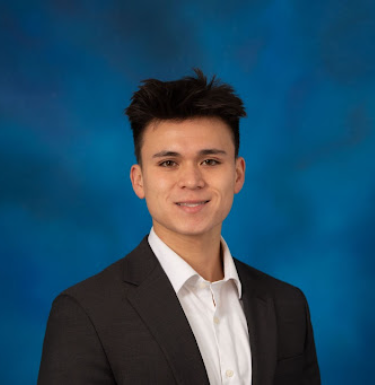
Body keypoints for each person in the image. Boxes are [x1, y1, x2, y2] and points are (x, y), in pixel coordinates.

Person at [38, 69, 320, 385]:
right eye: (168, 163)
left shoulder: (287, 305)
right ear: (139, 179)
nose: (192, 181)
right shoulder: (85, 313)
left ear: (237, 174)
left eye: (210, 161)